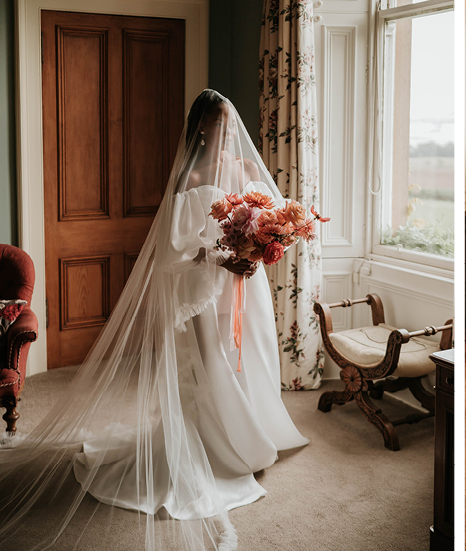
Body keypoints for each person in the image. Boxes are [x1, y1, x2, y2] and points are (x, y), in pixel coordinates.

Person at [0, 90, 307, 551]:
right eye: (217, 123)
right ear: (201, 126)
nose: (225, 131)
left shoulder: (244, 169)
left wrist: (258, 250)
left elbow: (270, 221)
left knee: (244, 357)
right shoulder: (189, 175)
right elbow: (174, 249)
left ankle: (252, 434)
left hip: (244, 286)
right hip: (204, 287)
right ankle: (217, 446)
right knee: (210, 363)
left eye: (229, 122)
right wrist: (223, 258)